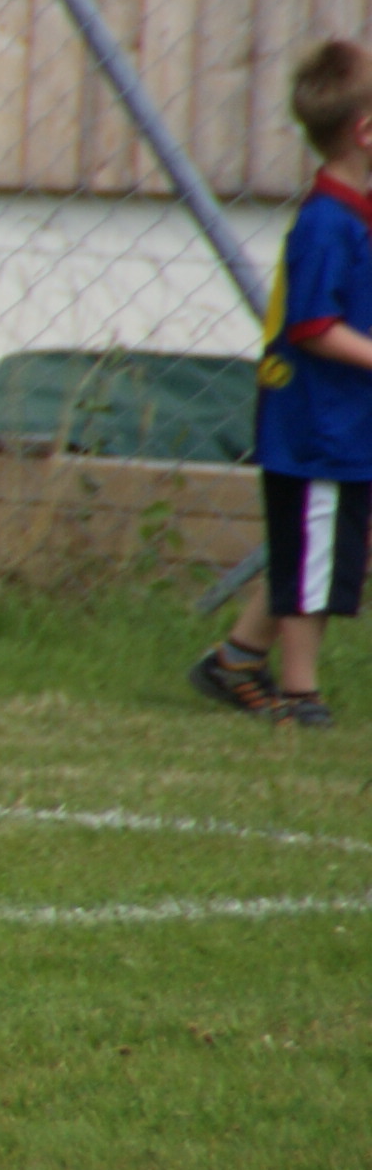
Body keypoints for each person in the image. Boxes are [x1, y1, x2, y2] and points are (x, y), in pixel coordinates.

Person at [190, 38, 372, 729]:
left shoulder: (356, 213)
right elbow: (315, 326)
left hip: (347, 426)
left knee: (319, 552)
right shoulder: (326, 223)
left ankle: (236, 659)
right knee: (315, 562)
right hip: (319, 429)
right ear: (365, 132)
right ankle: (300, 692)